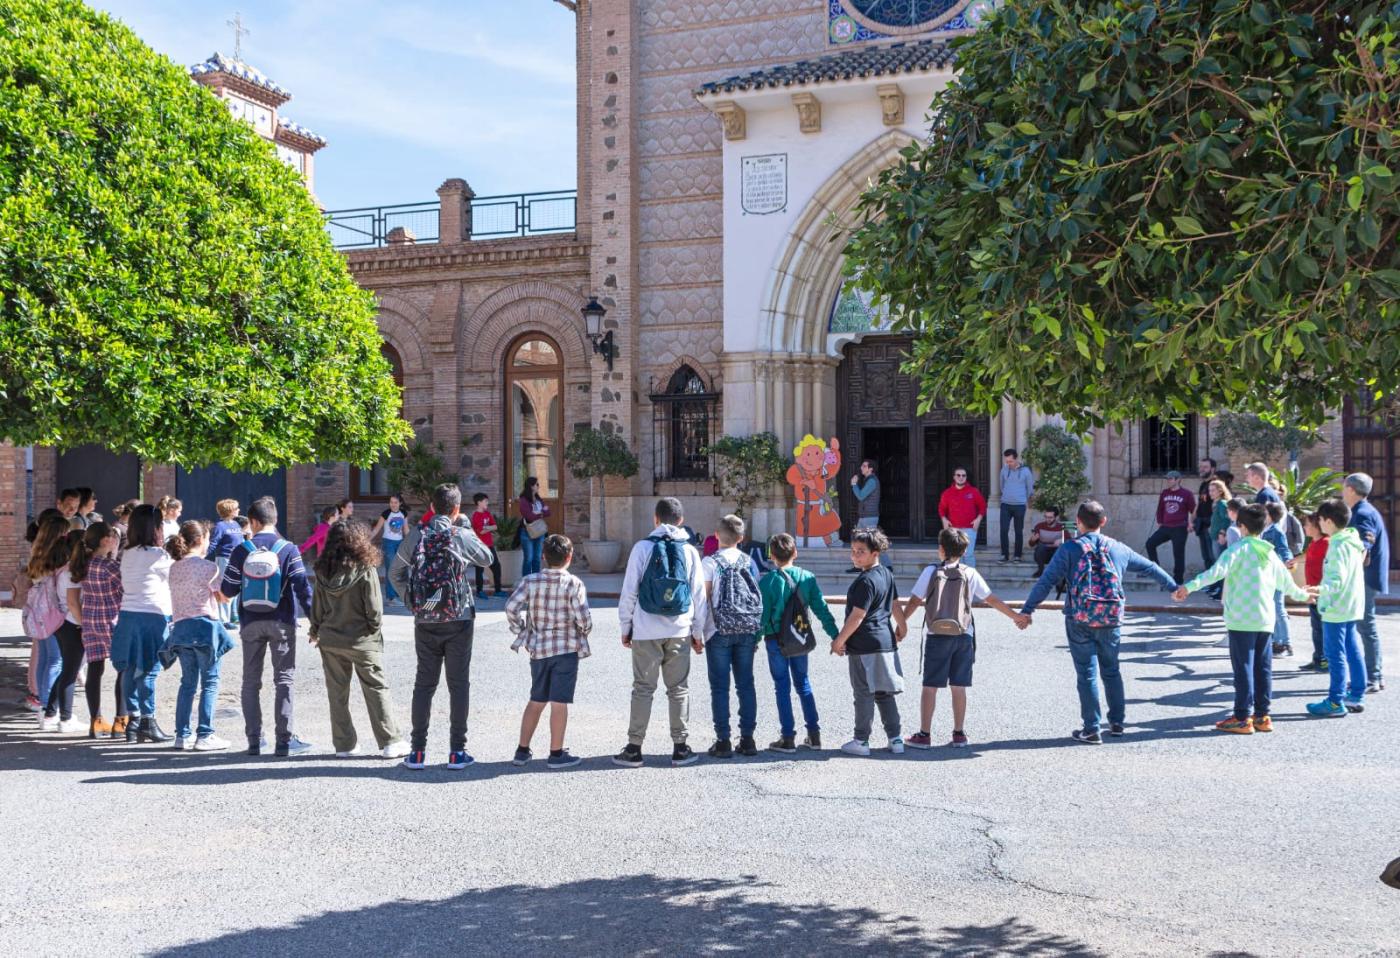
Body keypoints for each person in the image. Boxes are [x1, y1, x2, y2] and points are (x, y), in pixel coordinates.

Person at [1020, 500, 1177, 744]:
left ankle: (1092, 728)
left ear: (1079, 523)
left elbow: (1046, 581)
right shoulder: (1118, 548)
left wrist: (1027, 610)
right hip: (1111, 617)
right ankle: (1116, 723)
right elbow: (1150, 567)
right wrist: (1174, 588)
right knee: (1112, 670)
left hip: (1079, 617)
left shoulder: (1070, 549)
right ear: (1104, 522)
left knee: (1087, 674)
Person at [1175, 504, 1310, 733]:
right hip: (1265, 620)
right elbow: (1287, 584)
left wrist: (1188, 587)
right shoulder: (1270, 553)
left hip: (1240, 620)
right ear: (1264, 526)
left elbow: (1214, 573)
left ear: (1242, 526)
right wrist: (1306, 595)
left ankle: (1241, 717)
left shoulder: (1236, 550)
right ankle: (1262, 716)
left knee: (1243, 668)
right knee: (1263, 668)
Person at [390, 483, 494, 770]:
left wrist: (413, 602)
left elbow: (394, 572)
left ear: (432, 508)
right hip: (459, 617)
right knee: (458, 685)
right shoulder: (460, 533)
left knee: (424, 685)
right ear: (457, 508)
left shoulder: (418, 536)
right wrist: (466, 528)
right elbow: (487, 558)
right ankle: (457, 752)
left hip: (425, 620)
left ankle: (417, 752)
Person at [903, 528, 1027, 749]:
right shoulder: (970, 572)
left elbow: (914, 601)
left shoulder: (931, 572)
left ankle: (924, 734)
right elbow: (992, 599)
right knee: (959, 686)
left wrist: (901, 624)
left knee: (930, 686)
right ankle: (959, 733)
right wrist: (1015, 617)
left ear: (940, 549)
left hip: (936, 634)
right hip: (963, 634)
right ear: (965, 550)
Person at [613, 497, 710, 768]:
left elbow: (629, 590)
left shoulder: (642, 547)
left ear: (655, 519)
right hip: (679, 628)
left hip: (645, 628)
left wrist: (626, 626)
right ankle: (680, 747)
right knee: (678, 688)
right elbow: (698, 595)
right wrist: (698, 631)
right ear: (681, 521)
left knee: (643, 688)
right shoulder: (690, 551)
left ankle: (634, 748)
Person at [220, 496, 315, 757]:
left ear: (252, 521)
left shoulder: (242, 549)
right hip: (282, 621)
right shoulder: (288, 549)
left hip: (250, 622)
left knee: (251, 682)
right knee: (284, 680)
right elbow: (303, 589)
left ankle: (254, 740)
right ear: (275, 520)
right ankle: (284, 741)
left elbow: (227, 589)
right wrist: (316, 622)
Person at [309, 519, 409, 759]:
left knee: (337, 692)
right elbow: (374, 608)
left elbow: (317, 607)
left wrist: (315, 630)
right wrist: (373, 630)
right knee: (376, 688)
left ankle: (344, 745)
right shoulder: (365, 568)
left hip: (331, 638)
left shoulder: (323, 570)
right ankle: (390, 741)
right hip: (362, 638)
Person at [505, 534, 592, 770]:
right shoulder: (574, 584)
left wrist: (520, 628)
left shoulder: (530, 581)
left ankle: (522, 750)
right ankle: (556, 753)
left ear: (543, 557)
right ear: (569, 557)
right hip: (566, 648)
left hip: (539, 647)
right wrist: (584, 630)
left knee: (537, 698)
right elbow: (583, 617)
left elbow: (511, 606)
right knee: (559, 702)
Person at [831, 527, 909, 756]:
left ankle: (861, 740)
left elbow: (858, 616)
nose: (855, 555)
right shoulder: (886, 574)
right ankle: (896, 739)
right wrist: (902, 627)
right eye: (853, 551)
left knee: (863, 692)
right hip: (884, 641)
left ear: (875, 553)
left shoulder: (865, 582)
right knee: (885, 692)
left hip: (864, 644)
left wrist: (839, 641)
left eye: (861, 551)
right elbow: (895, 604)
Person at [758, 532, 838, 752]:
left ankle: (787, 737)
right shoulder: (808, 577)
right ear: (796, 552)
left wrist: (755, 639)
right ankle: (814, 734)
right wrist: (835, 635)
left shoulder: (768, 581)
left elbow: (763, 617)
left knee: (781, 687)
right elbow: (821, 609)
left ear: (771, 556)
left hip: (775, 639)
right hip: (800, 636)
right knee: (803, 684)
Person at [166, 521, 235, 751]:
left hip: (181, 628)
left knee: (187, 683)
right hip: (205, 628)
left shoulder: (174, 567)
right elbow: (223, 597)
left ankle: (181, 734)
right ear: (200, 540)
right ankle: (205, 733)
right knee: (210, 682)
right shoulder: (208, 567)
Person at [700, 514, 764, 759]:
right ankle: (747, 739)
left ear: (717, 535)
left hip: (718, 630)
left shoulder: (710, 562)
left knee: (720, 687)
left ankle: (723, 740)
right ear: (742, 538)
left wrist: (697, 632)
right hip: (746, 628)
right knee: (745, 684)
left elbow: (703, 599)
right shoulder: (749, 561)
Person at [110, 504, 173, 743]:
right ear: (155, 527)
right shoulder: (159, 555)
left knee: (129, 668)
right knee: (149, 669)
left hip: (128, 615)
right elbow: (173, 580)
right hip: (153, 616)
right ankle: (148, 720)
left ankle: (133, 720)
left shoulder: (128, 553)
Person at [1307, 498, 1370, 717]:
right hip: (1352, 604)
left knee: (1335, 655)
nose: (1319, 524)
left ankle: (1335, 702)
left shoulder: (1337, 545)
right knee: (1352, 650)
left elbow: (1336, 579)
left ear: (1330, 521)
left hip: (1336, 606)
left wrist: (1317, 590)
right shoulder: (1352, 539)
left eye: (1321, 520)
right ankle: (1357, 694)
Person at [72, 522, 127, 738]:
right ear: (105, 540)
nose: (116, 540)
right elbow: (126, 590)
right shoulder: (110, 567)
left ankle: (95, 721)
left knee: (95, 669)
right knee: (123, 667)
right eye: (113, 537)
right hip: (112, 620)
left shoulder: (82, 565)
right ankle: (120, 721)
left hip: (90, 620)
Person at [1342, 472, 1390, 693]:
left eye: (1344, 487)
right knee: (1364, 626)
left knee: (1366, 626)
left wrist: (1351, 571)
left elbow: (1365, 543)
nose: (1342, 491)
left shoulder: (1362, 513)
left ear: (1351, 489)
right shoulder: (1363, 510)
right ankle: (1372, 675)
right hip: (1365, 576)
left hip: (1365, 578)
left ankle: (1373, 676)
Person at [39, 529, 85, 733]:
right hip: (71, 623)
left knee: (67, 670)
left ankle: (50, 714)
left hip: (63, 624)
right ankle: (65, 718)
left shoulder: (63, 568)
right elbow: (73, 604)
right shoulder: (70, 572)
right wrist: (85, 624)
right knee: (70, 672)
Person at [1145, 471, 1196, 585]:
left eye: (1170, 479)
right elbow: (1161, 508)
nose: (1168, 481)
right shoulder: (1164, 493)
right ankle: (1156, 571)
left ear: (1178, 480)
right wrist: (1160, 521)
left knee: (1178, 554)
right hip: (1166, 527)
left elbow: (1193, 510)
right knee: (1150, 544)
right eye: (1167, 479)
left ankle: (1178, 580)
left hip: (1180, 527)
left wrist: (1191, 523)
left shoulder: (1186, 494)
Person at [1261, 501, 1295, 657]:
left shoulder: (1276, 531)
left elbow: (1284, 549)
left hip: (1276, 575)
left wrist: (1288, 561)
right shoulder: (1263, 530)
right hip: (1266, 575)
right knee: (1271, 609)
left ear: (1269, 515)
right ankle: (1276, 641)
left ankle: (1286, 643)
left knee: (1279, 609)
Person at [1298, 513, 1330, 674]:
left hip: (1320, 593)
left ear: (1317, 526)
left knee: (1322, 628)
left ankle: (1325, 660)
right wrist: (1295, 560)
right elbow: (1308, 556)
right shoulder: (1313, 543)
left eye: (1307, 524)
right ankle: (1318, 657)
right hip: (1312, 591)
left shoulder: (1326, 543)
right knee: (1316, 627)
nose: (1304, 527)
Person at [937, 467, 987, 567]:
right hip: (954, 530)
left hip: (970, 529)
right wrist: (944, 520)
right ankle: (958, 578)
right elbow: (941, 509)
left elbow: (983, 506)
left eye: (963, 475)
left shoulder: (973, 492)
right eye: (958, 475)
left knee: (968, 555)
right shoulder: (947, 493)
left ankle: (970, 579)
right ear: (954, 477)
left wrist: (978, 519)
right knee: (954, 555)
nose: (961, 477)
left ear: (966, 477)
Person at [206, 499, 243, 628]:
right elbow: (213, 543)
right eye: (236, 508)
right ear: (230, 510)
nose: (239, 510)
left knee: (237, 587)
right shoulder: (220, 526)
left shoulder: (236, 525)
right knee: (225, 587)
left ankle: (234, 615)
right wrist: (202, 555)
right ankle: (224, 619)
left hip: (238, 559)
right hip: (224, 559)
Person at [369, 493, 409, 605]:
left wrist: (411, 542)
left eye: (395, 502)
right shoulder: (386, 514)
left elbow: (406, 530)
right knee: (391, 569)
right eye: (391, 502)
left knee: (399, 569)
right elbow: (377, 529)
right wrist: (367, 539)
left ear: (400, 503)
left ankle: (399, 595)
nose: (393, 504)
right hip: (388, 543)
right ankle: (391, 597)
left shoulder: (403, 513)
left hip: (399, 543)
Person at [998, 449, 1035, 563]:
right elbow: (1001, 485)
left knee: (1018, 531)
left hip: (1019, 506)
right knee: (1003, 530)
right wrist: (1008, 495)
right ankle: (1004, 555)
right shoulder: (1004, 470)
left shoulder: (1026, 471)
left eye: (1010, 461)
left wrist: (1022, 498)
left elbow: (1030, 488)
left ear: (1016, 459)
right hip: (1005, 505)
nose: (1008, 464)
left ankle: (1017, 556)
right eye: (1007, 461)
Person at [468, 493, 504, 599]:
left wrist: (487, 527)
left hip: (489, 545)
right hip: (479, 546)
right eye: (485, 501)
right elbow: (481, 531)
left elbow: (495, 526)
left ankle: (498, 590)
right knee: (480, 569)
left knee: (496, 566)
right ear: (479, 503)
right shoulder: (476, 516)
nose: (487, 503)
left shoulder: (488, 514)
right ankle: (480, 591)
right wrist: (489, 527)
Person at [517, 476, 551, 578]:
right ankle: (526, 581)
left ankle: (536, 579)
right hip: (527, 531)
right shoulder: (524, 500)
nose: (538, 486)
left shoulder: (539, 499)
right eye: (537, 484)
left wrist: (540, 513)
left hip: (539, 532)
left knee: (537, 557)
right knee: (529, 558)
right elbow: (528, 515)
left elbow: (548, 511)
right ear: (531, 486)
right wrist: (541, 514)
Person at [1193, 458, 1218, 571]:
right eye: (1201, 467)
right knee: (1206, 556)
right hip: (1201, 524)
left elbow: (1219, 504)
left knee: (1214, 556)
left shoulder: (1216, 484)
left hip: (1211, 524)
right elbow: (1199, 504)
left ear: (1212, 469)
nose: (1202, 469)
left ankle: (1218, 586)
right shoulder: (1203, 485)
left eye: (1205, 467)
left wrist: (1215, 524)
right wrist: (1191, 520)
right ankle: (1210, 584)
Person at [1029, 506, 1066, 577]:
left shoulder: (1061, 527)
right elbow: (1031, 544)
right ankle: (1040, 570)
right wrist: (1032, 540)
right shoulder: (1039, 526)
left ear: (1056, 517)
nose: (1047, 519)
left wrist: (1062, 540)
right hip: (1042, 555)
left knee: (1060, 550)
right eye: (1046, 517)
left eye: (1050, 517)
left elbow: (1070, 541)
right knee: (1041, 547)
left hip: (1055, 555)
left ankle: (1059, 577)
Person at [851, 459, 881, 530]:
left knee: (864, 540)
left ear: (870, 469)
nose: (861, 468)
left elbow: (860, 496)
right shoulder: (868, 480)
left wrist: (854, 484)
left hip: (869, 518)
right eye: (862, 466)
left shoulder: (872, 481)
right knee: (860, 540)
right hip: (865, 517)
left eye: (864, 466)